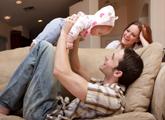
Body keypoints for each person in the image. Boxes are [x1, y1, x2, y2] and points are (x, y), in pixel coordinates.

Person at [0, 18, 143, 120]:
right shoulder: (103, 86)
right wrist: (76, 39)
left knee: (45, 48)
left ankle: (4, 105)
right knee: (42, 48)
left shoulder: (111, 97)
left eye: (111, 58)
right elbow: (76, 67)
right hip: (52, 107)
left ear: (117, 72)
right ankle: (8, 103)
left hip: (43, 115)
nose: (106, 58)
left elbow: (61, 72)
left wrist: (64, 33)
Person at [31, 5, 118, 49]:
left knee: (50, 45)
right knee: (48, 36)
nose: (97, 35)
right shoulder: (87, 20)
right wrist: (69, 40)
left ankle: (40, 48)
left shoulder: (87, 27)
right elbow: (76, 28)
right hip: (60, 24)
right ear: (97, 23)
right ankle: (35, 43)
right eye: (99, 33)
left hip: (63, 32)